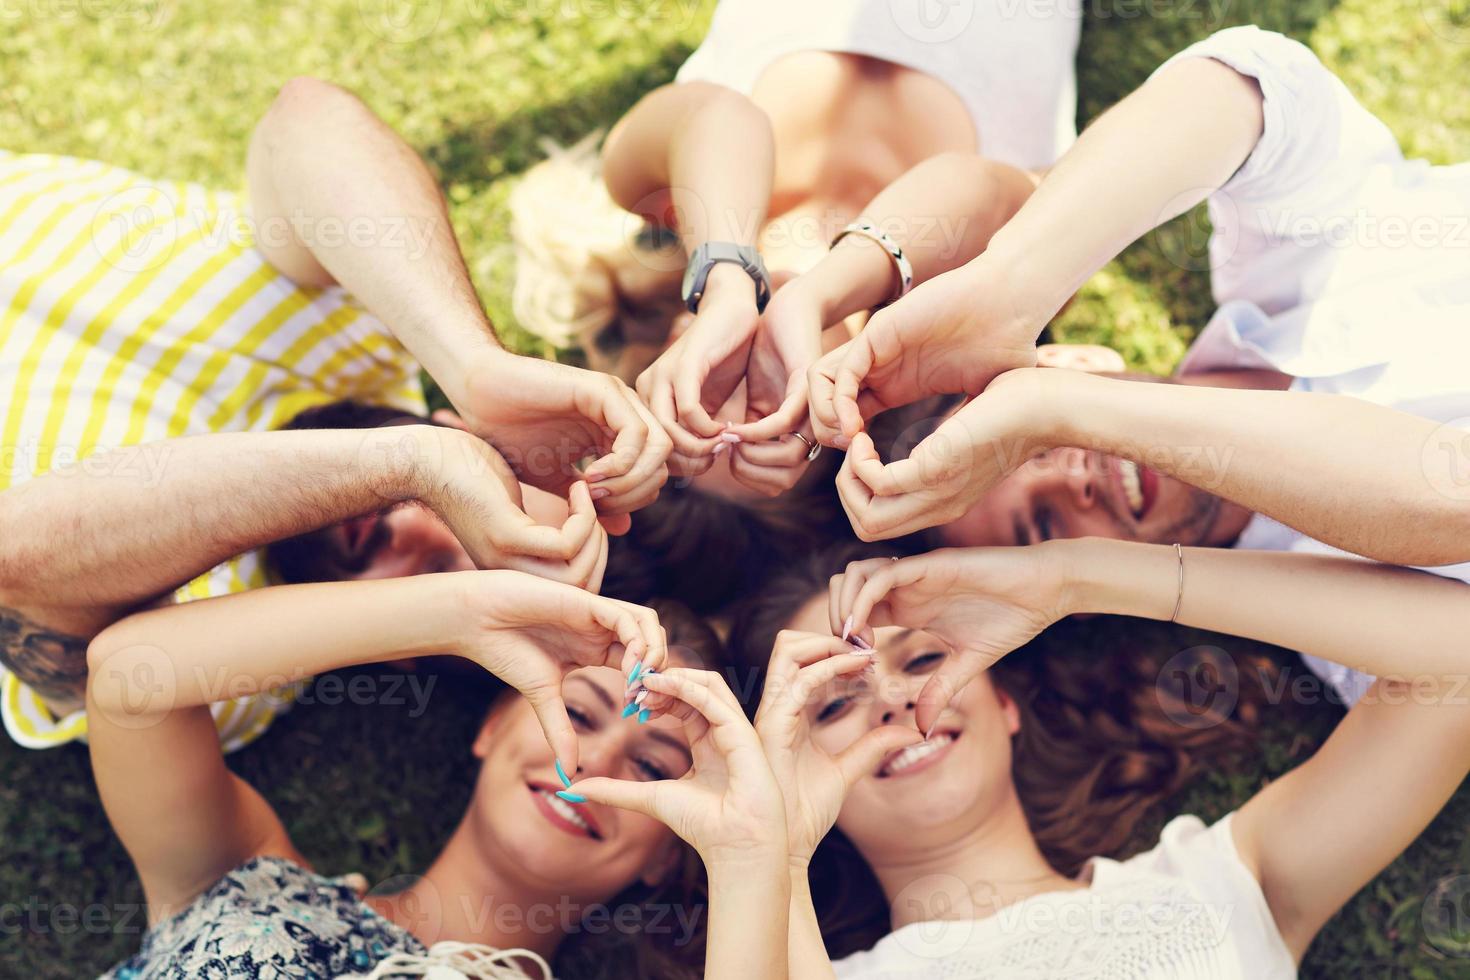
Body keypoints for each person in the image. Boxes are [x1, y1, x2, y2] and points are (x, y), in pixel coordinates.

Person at [0, 76, 673, 750]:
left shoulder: (220, 660)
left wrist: (414, 465)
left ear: (402, 650)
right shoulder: (369, 318)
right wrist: (476, 368)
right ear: (467, 430)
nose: (411, 537)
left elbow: (13, 555)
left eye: (438, 577)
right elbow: (306, 117)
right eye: (486, 502)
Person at [804, 26, 1470, 701]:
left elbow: (1241, 85)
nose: (1074, 482)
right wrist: (1063, 411)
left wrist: (1010, 288)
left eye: (1019, 450)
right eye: (1044, 526)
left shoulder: (1294, 265)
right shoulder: (1358, 632)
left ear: (1074, 357)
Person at [732, 539, 1470, 976]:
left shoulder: (1212, 882)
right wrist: (774, 854)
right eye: (832, 704)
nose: (892, 697)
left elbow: (1457, 658)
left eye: (924, 655)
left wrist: (1071, 576)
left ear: (1005, 704)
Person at [87, 572, 790, 979]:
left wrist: (749, 852)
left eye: (651, 767)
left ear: (672, 855)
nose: (594, 763)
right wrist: (460, 615)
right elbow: (127, 677)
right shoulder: (245, 872)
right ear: (490, 726)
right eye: (576, 713)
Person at [510, 0, 1080, 495]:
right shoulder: (989, 291)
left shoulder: (664, 195)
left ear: (677, 345)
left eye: (698, 407)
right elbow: (976, 183)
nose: (746, 380)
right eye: (767, 423)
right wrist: (814, 297)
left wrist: (729, 279)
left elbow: (719, 115)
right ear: (835, 419)